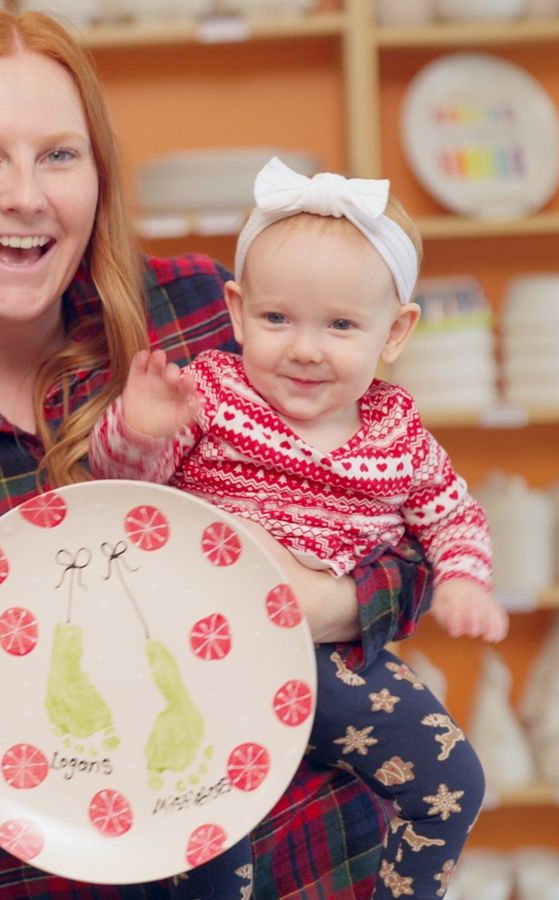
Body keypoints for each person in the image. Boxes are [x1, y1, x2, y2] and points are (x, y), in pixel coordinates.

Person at [0, 12, 434, 900]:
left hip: (322, 868)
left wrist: (324, 602)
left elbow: (415, 535)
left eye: (59, 155)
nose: (25, 195)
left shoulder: (203, 325)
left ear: (100, 179)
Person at [89, 156, 509, 898]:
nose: (306, 348)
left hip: (337, 663)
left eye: (341, 325)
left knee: (454, 781)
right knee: (209, 837)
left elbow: (452, 514)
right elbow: (128, 498)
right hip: (203, 658)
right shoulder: (212, 395)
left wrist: (467, 576)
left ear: (395, 332)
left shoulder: (400, 434)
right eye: (277, 318)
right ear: (237, 310)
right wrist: (140, 429)